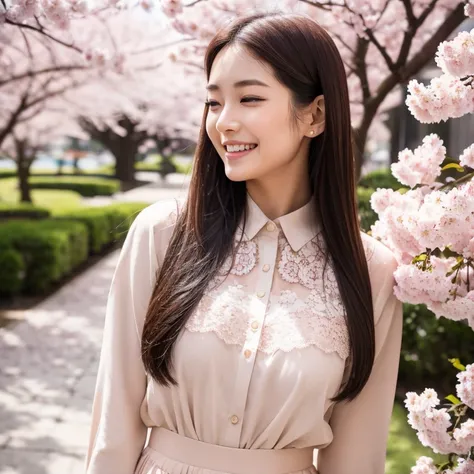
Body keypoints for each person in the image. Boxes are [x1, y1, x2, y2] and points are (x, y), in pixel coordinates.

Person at [84, 11, 403, 474]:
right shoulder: (161, 234)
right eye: (214, 103)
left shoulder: (371, 270)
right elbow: (113, 426)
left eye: (249, 98)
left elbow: (358, 458)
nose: (224, 123)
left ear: (314, 114)